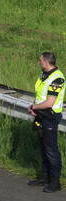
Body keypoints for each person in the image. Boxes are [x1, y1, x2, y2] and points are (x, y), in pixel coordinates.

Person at [28, 52, 64, 193]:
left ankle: (55, 183)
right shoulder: (44, 75)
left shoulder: (57, 78)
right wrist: (35, 108)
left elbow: (50, 102)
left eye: (40, 60)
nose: (39, 63)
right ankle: (45, 177)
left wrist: (34, 107)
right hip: (41, 114)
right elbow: (40, 95)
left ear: (46, 61)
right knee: (43, 147)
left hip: (50, 116)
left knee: (51, 150)